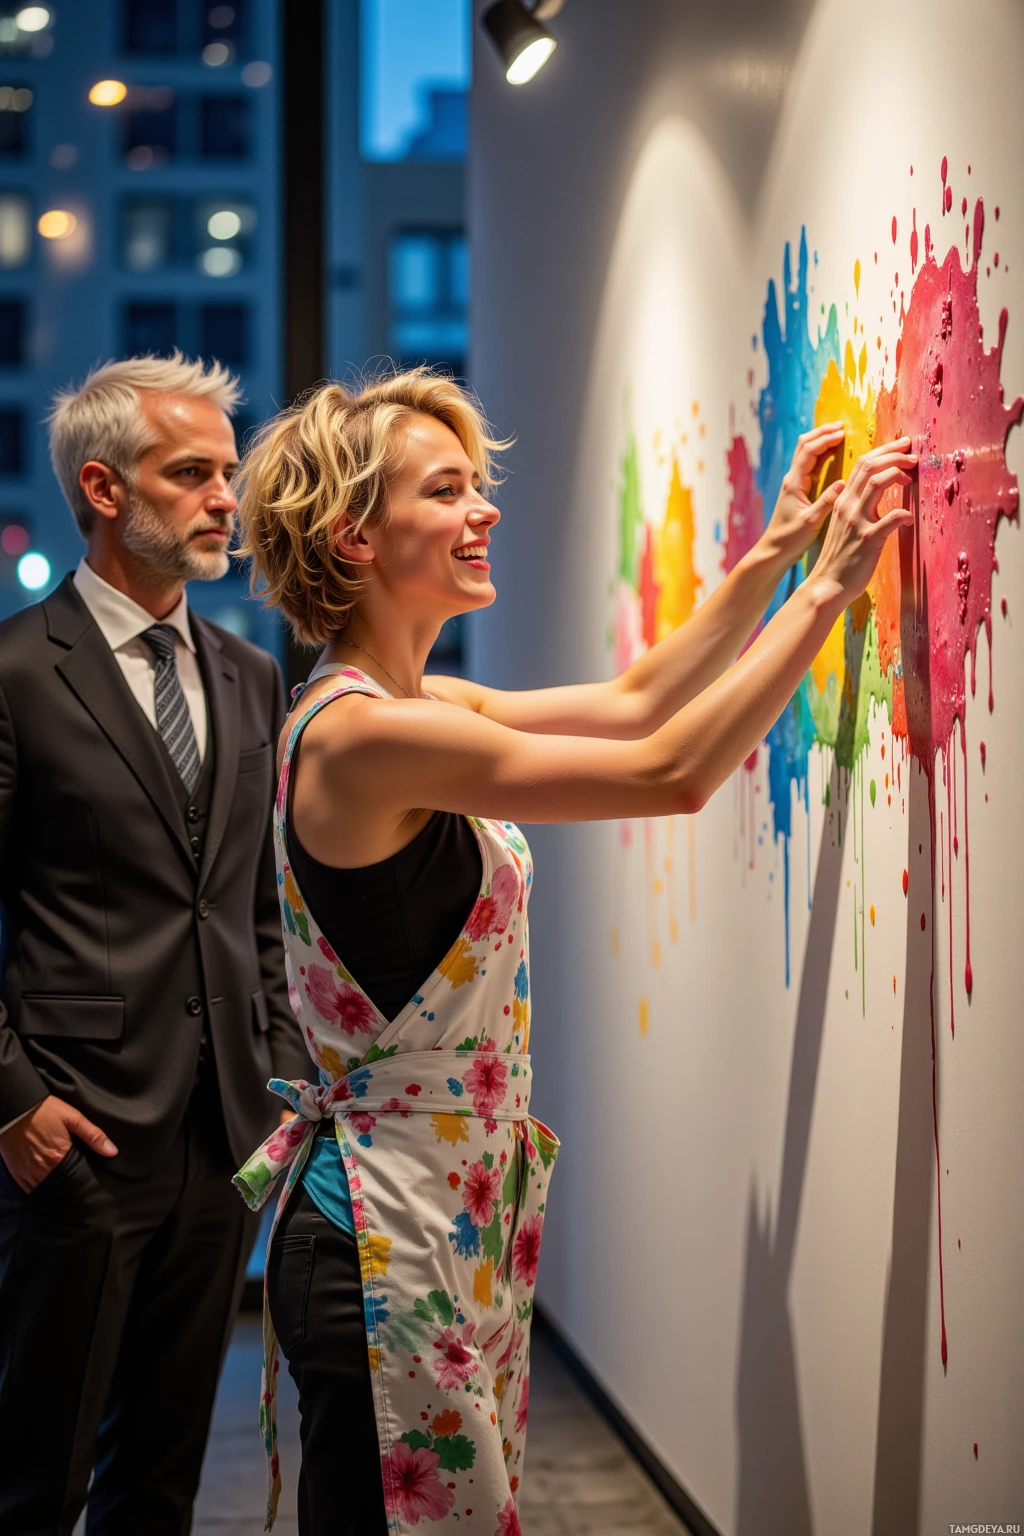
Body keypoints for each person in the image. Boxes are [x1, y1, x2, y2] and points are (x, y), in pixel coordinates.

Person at [231, 366, 916, 1536]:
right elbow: (672, 772)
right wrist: (828, 592)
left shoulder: (415, 704)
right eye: (446, 491)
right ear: (354, 539)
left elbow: (643, 697)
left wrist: (777, 553)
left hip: (442, 1218)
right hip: (376, 1238)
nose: (484, 509)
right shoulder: (360, 739)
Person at [0, 353, 307, 1536]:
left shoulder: (252, 675)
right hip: (70, 1139)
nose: (227, 498)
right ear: (105, 488)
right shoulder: (17, 672)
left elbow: (260, 904)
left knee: (163, 1481)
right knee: (35, 1480)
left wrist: (276, 1072)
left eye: (227, 472)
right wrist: (14, 1102)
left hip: (223, 1135)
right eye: (192, 474)